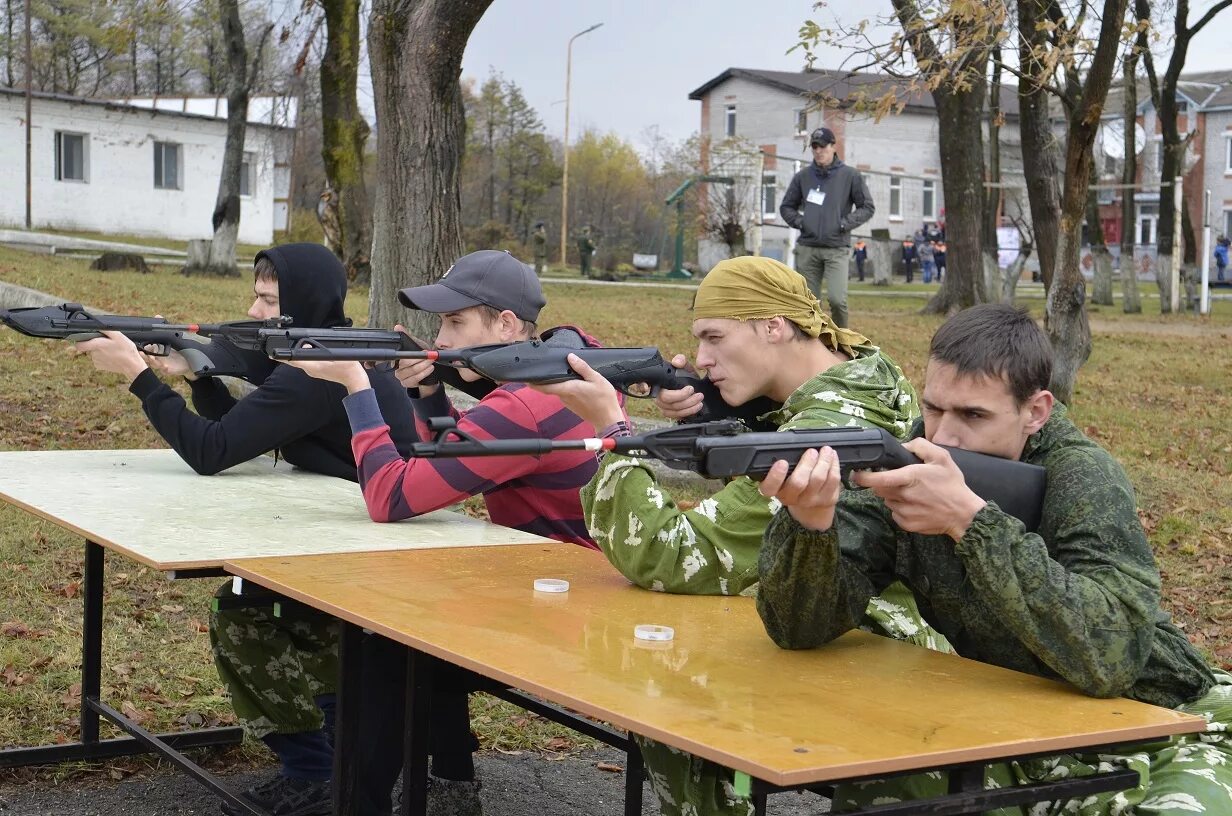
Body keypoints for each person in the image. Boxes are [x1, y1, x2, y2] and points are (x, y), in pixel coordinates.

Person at [757, 303, 1232, 815]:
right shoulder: (912, 458)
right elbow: (797, 629)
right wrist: (811, 526)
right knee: (887, 788)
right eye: (935, 407)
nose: (943, 436)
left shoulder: (1081, 475)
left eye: (974, 415)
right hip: (1026, 719)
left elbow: (1111, 656)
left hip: (1172, 719)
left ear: (1037, 411)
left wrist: (970, 523)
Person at [534, 256, 943, 816]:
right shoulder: (861, 374)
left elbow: (669, 555)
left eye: (714, 338)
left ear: (774, 326)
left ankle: (739, 800)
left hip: (867, 658)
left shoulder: (824, 432)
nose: (700, 358)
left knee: (668, 701)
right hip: (842, 636)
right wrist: (713, 414)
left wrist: (612, 429)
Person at [72, 243, 420, 816]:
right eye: (255, 297)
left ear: (302, 305)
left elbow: (211, 451)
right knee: (266, 611)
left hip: (380, 550)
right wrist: (198, 375)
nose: (255, 313)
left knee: (244, 616)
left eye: (268, 301)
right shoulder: (324, 353)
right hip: (360, 531)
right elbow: (237, 433)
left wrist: (139, 377)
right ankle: (328, 763)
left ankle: (319, 768)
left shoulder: (314, 374)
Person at [285, 249, 609, 816]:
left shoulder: (522, 405)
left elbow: (391, 496)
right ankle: (453, 780)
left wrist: (357, 390)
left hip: (568, 604)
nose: (442, 339)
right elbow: (459, 455)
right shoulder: (568, 364)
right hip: (569, 579)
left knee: (387, 638)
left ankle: (359, 804)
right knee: (426, 613)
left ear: (506, 325)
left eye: (456, 323)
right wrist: (430, 392)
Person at [779, 127, 874, 327]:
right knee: (809, 304)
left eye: (823, 146)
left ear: (833, 146)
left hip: (836, 248)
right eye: (814, 147)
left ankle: (843, 343)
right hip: (808, 248)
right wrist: (802, 223)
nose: (818, 151)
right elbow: (787, 207)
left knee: (838, 300)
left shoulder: (850, 176)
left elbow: (867, 207)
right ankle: (813, 343)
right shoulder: (803, 177)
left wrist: (844, 224)